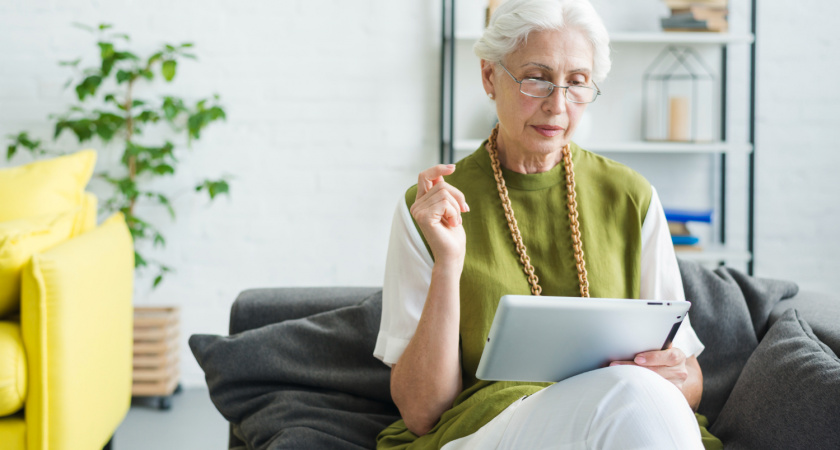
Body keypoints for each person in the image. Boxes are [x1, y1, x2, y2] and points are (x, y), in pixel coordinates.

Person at [373, 0, 713, 448]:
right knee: (633, 394)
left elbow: (688, 383)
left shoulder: (631, 196)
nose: (558, 105)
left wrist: (673, 372)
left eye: (577, 83)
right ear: (490, 77)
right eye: (536, 79)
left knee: (637, 394)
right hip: (489, 430)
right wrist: (448, 263)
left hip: (623, 419)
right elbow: (421, 411)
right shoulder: (435, 208)